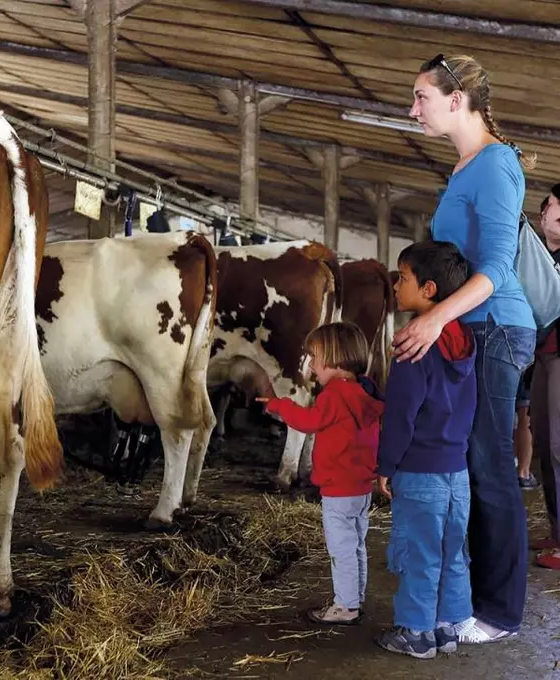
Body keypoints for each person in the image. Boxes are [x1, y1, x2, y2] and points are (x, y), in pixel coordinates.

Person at [394, 54, 536, 644]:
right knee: (468, 466)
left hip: (494, 327)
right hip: (471, 327)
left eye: (421, 96)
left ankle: (500, 613)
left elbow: (500, 266)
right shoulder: (464, 168)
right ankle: (471, 596)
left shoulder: (497, 166)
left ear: (457, 100)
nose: (412, 109)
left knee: (489, 466)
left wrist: (435, 320)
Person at [376, 241, 475, 659]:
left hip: (419, 472)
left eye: (403, 278)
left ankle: (416, 634)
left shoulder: (412, 345)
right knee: (452, 553)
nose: (396, 285)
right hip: (457, 473)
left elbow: (400, 415)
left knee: (419, 554)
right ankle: (447, 626)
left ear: (429, 289)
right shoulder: (465, 342)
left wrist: (386, 465)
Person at [258, 322, 384, 625]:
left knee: (340, 549)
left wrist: (279, 405)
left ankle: (345, 607)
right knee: (356, 546)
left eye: (315, 358)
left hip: (338, 489)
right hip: (361, 487)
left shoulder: (334, 395)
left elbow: (308, 421)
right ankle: (355, 597)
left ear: (333, 360)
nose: (312, 367)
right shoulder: (363, 394)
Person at [530, 184, 560, 567]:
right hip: (541, 355)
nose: (554, 210)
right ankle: (556, 531)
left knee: (559, 446)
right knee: (543, 444)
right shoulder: (537, 257)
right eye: (552, 205)